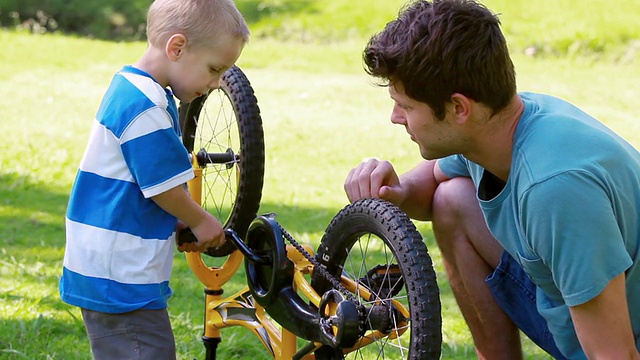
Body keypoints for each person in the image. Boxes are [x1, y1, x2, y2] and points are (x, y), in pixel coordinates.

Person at [344, 1, 640, 359]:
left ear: (458, 108)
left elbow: (616, 353)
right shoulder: (503, 123)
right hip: (577, 313)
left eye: (405, 106)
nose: (395, 118)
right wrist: (399, 191)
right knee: (451, 199)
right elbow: (435, 181)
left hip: (621, 338)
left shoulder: (554, 189)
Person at [59, 0, 249, 358]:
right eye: (213, 69)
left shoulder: (133, 88)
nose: (216, 83)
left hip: (109, 264)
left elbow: (138, 184)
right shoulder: (146, 107)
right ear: (176, 48)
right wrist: (200, 219)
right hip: (120, 278)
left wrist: (174, 221)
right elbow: (163, 188)